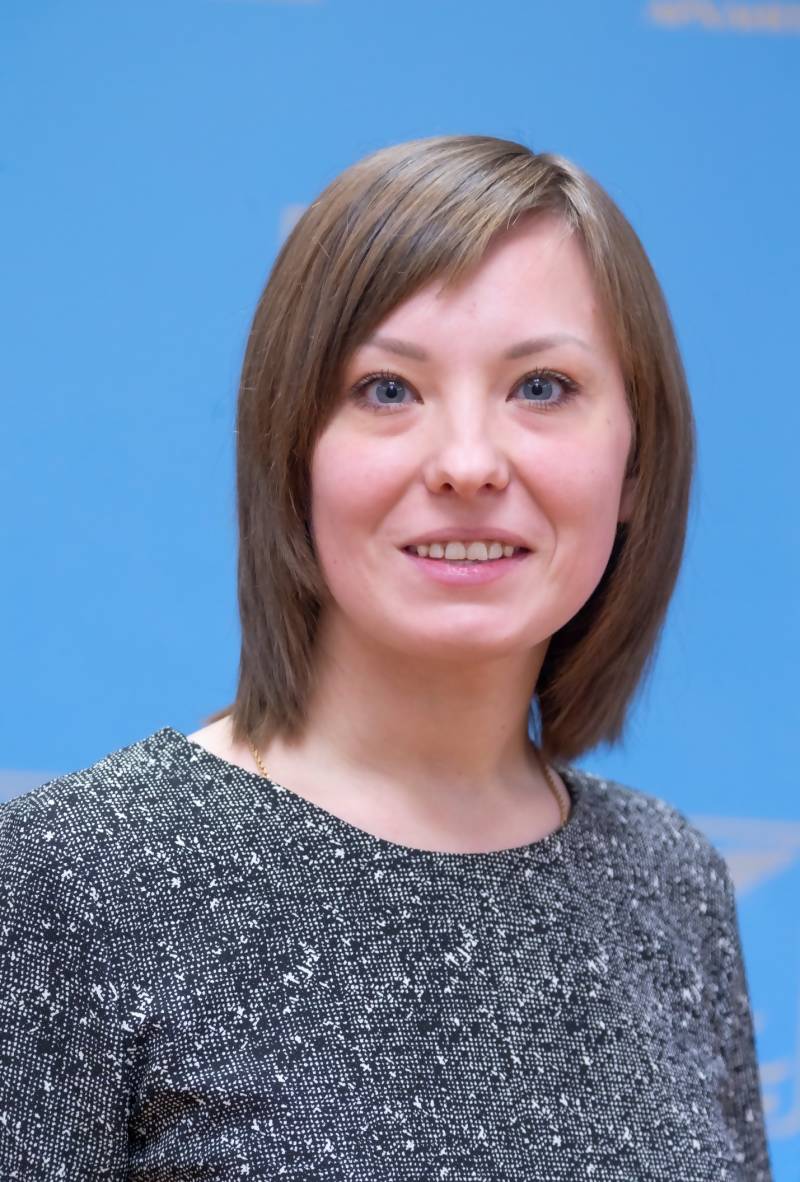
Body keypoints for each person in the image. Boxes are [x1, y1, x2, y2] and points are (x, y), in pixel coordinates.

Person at [0, 135, 773, 1180]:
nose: (467, 464)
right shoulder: (72, 880)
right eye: (388, 390)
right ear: (292, 452)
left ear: (635, 461)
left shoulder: (669, 878)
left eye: (542, 386)